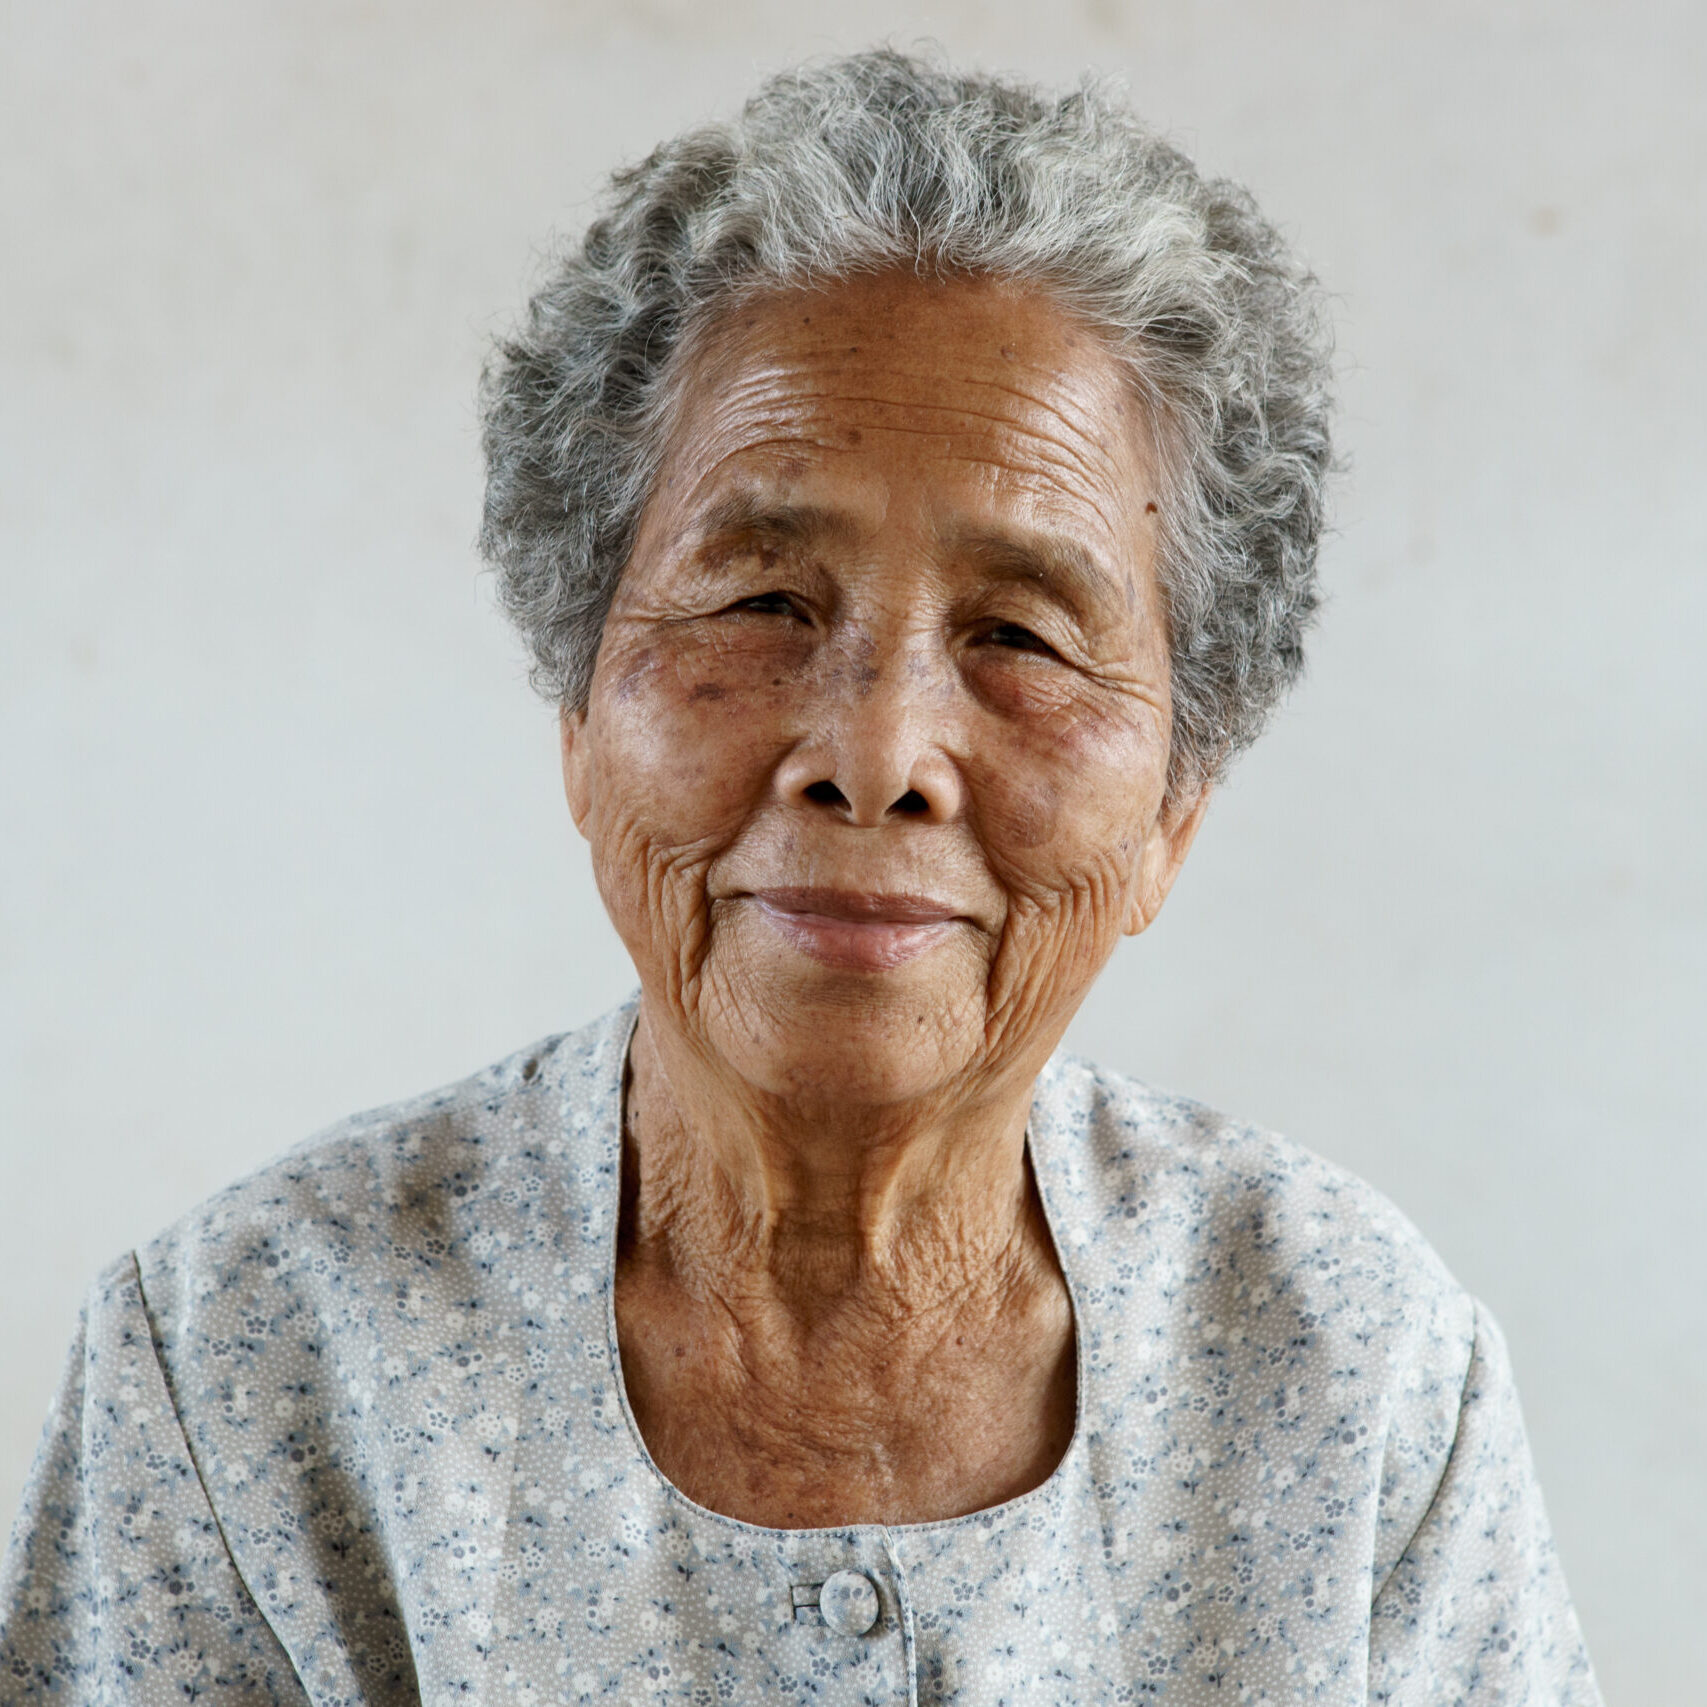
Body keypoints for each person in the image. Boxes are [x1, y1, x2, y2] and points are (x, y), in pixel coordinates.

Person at [0, 50, 1600, 1705]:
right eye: (762, 602)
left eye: (1024, 636)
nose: (880, 750)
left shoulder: (1350, 1363)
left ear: (1177, 810)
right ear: (576, 707)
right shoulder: (251, 1361)